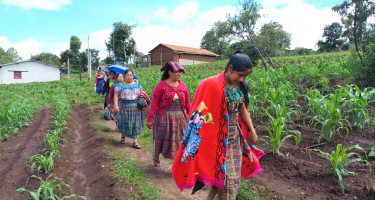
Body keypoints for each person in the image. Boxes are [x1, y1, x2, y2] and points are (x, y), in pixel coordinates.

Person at [172, 51, 264, 200]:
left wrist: (252, 130)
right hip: (214, 138)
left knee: (230, 177)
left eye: (245, 76)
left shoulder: (239, 87)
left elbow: (242, 108)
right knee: (223, 176)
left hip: (234, 138)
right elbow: (200, 112)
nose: (242, 79)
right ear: (230, 68)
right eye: (240, 75)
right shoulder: (211, 84)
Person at [147, 61, 191, 167]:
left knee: (180, 140)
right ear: (170, 72)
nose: (180, 74)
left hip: (180, 118)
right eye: (177, 72)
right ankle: (156, 156)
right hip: (164, 118)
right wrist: (150, 118)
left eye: (181, 72)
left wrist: (192, 117)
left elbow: (188, 104)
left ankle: (178, 164)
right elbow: (154, 103)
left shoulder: (183, 86)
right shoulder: (161, 86)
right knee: (160, 139)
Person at [113, 69, 144, 149]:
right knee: (124, 122)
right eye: (128, 75)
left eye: (131, 75)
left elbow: (142, 93)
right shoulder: (120, 86)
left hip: (136, 108)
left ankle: (135, 142)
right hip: (124, 107)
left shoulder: (137, 85)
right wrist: (116, 105)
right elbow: (116, 95)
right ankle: (123, 137)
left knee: (135, 124)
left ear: (133, 76)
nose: (129, 77)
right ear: (124, 76)